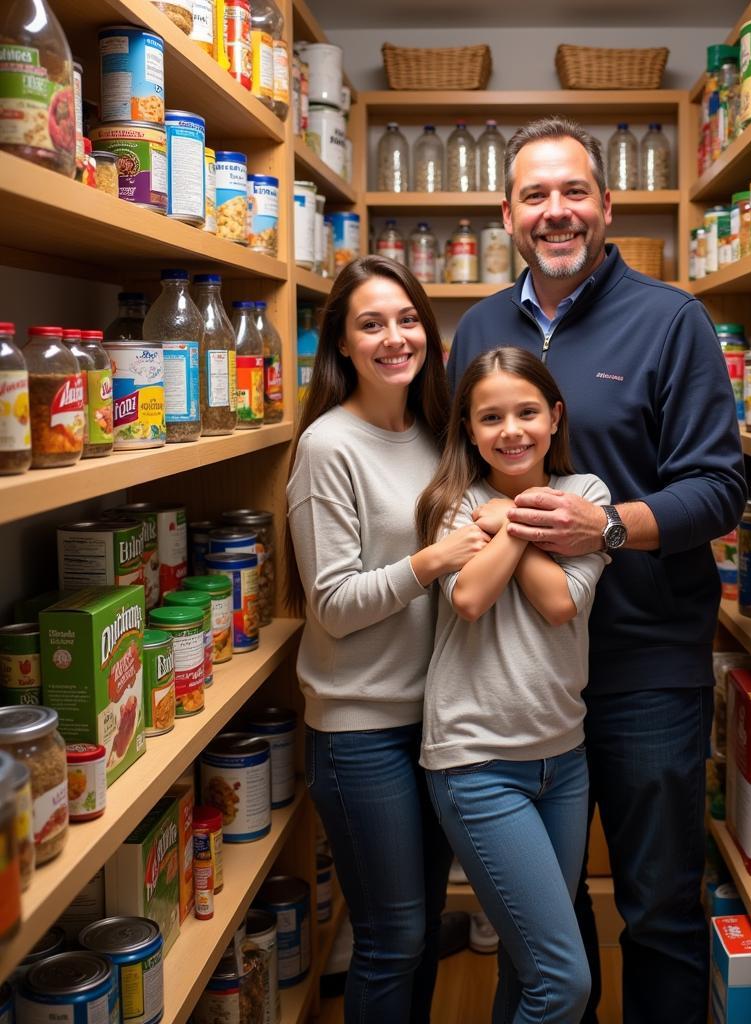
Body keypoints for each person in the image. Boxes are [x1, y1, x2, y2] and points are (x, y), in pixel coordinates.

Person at [446, 118, 747, 1024]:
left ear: (607, 206)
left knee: (657, 908)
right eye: (535, 195)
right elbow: (461, 479)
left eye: (574, 192)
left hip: (642, 668)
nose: (556, 212)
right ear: (508, 213)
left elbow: (720, 490)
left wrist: (606, 526)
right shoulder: (480, 329)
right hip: (525, 680)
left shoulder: (671, 319)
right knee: (548, 922)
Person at [285, 255, 490, 1023]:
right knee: (391, 936)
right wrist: (433, 558)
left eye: (407, 320)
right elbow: (331, 605)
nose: (394, 337)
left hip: (439, 723)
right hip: (360, 730)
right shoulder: (327, 447)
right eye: (371, 324)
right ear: (341, 343)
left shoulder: (440, 434)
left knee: (422, 923)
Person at [415, 346, 610, 1024]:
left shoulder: (587, 496)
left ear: (555, 417)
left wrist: (505, 519)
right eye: (490, 417)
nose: (511, 430)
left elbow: (560, 602)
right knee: (564, 983)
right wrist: (524, 517)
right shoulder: (451, 503)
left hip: (565, 761)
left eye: (527, 412)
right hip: (477, 765)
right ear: (468, 429)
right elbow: (470, 595)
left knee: (529, 972)